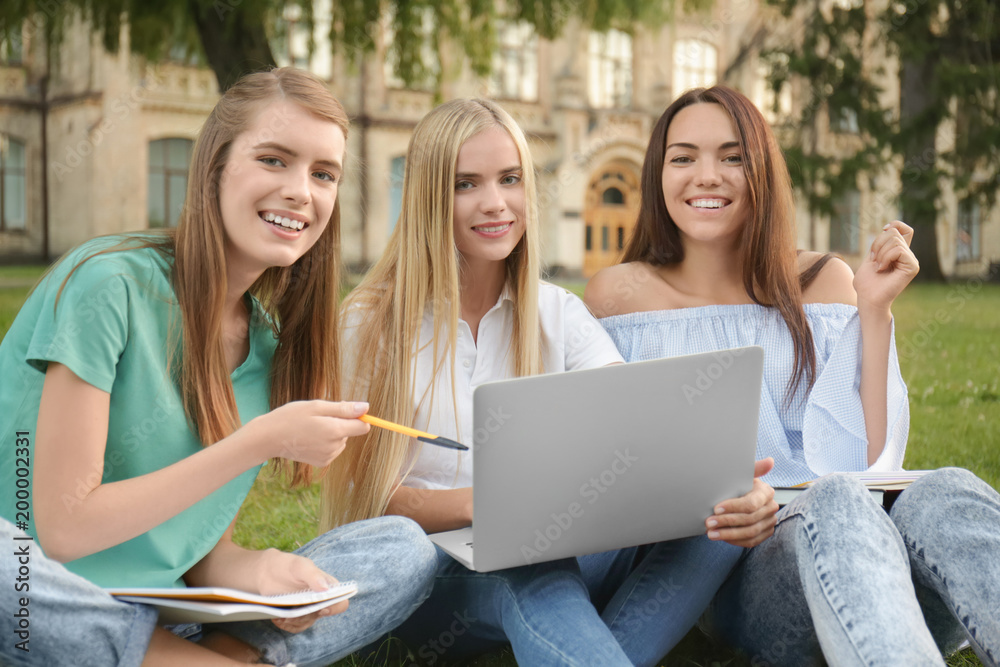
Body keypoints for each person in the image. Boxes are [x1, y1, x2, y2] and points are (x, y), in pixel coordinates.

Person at [0, 67, 436, 667]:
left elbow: (191, 549)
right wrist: (258, 441)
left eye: (323, 174)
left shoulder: (268, 349)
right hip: (36, 608)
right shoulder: (109, 285)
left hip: (156, 613)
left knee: (400, 549)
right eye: (274, 160)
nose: (300, 191)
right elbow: (63, 530)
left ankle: (209, 656)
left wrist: (257, 568)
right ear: (214, 169)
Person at [320, 97, 777, 667]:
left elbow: (643, 429)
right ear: (428, 198)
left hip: (564, 549)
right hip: (441, 577)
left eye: (509, 179)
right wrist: (496, 508)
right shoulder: (369, 324)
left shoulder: (558, 313)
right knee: (532, 572)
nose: (495, 203)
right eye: (466, 184)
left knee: (714, 516)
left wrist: (732, 489)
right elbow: (376, 504)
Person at [585, 85, 1000, 666]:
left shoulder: (824, 282)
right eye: (683, 158)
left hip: (877, 570)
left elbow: (876, 463)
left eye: (733, 157)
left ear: (763, 173)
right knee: (835, 499)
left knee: (947, 487)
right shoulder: (619, 299)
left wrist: (874, 312)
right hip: (753, 582)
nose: (708, 175)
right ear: (658, 175)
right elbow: (610, 481)